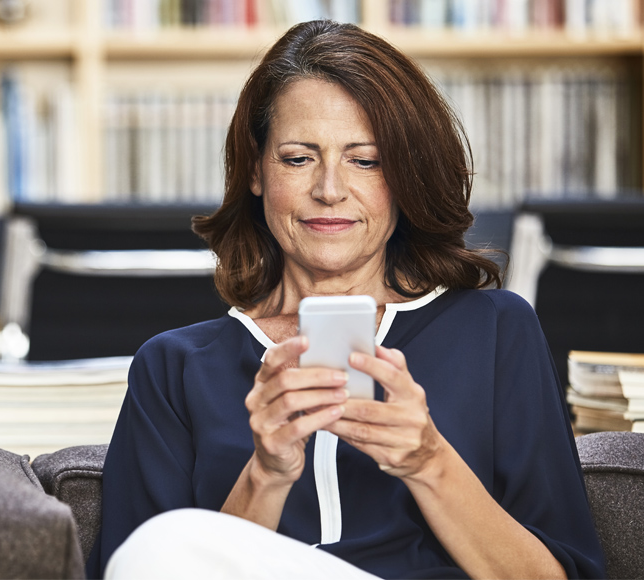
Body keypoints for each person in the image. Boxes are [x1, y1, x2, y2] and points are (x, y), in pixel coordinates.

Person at [86, 20, 605, 580]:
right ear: (257, 171)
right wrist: (265, 474)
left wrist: (429, 461)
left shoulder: (496, 330)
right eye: (297, 158)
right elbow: (139, 566)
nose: (330, 189)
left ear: (404, 176)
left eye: (366, 160)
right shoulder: (174, 367)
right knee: (157, 547)